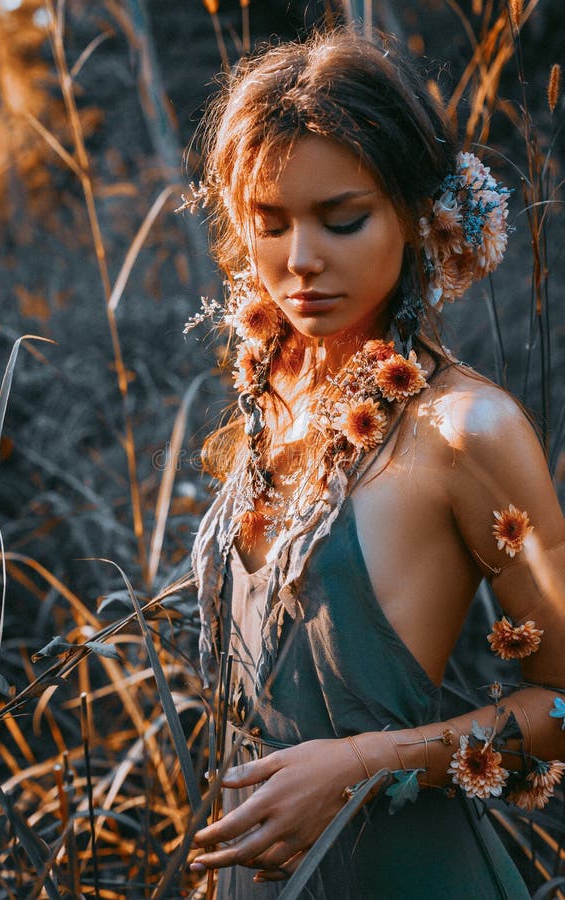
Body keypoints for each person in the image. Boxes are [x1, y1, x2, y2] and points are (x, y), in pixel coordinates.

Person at [185, 27, 565, 898]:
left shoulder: (469, 429)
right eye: (269, 224)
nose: (300, 261)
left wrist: (360, 762)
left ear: (418, 211)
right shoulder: (273, 394)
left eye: (342, 218)